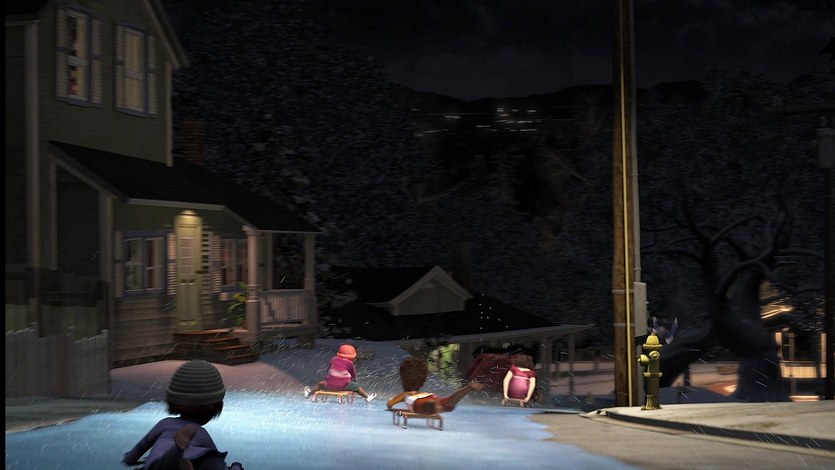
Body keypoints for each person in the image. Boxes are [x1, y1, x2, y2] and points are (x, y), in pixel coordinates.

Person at [123, 359, 244, 470]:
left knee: (165, 463)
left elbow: (133, 456)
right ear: (214, 407)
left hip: (154, 465)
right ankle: (180, 454)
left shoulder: (165, 424)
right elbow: (218, 465)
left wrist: (130, 459)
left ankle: (179, 453)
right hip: (180, 462)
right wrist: (236, 466)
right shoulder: (200, 433)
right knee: (209, 458)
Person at [386, 355, 486, 414]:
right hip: (430, 396)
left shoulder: (406, 394)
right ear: (423, 379)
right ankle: (467, 388)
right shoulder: (424, 393)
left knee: (424, 405)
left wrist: (390, 406)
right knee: (446, 401)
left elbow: (390, 403)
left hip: (419, 401)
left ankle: (434, 405)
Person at [304, 344, 377, 402]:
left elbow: (328, 370)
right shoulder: (350, 363)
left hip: (329, 385)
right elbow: (353, 375)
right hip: (343, 386)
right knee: (357, 386)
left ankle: (309, 394)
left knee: (320, 384)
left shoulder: (333, 359)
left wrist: (328, 379)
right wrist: (353, 382)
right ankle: (367, 397)